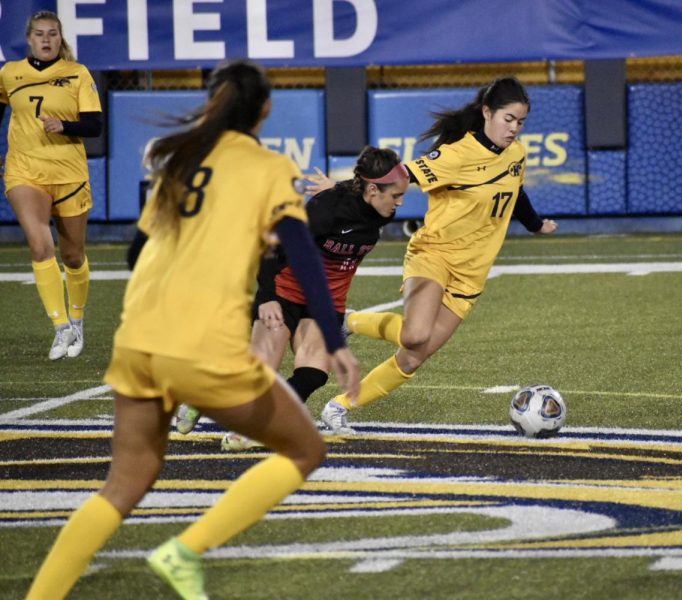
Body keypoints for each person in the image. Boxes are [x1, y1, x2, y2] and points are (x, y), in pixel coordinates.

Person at [26, 59, 360, 600]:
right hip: (203, 347)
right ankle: (185, 550)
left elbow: (138, 254)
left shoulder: (177, 161)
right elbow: (303, 253)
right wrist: (336, 344)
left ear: (212, 101)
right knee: (305, 451)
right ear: (265, 109)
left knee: (124, 484)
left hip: (138, 340)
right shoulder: (268, 167)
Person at [320, 76, 558, 435]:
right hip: (434, 254)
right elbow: (398, 176)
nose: (514, 129)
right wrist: (340, 190)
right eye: (508, 119)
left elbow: (516, 192)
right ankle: (349, 322)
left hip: (470, 275)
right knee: (415, 335)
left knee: (415, 356)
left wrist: (535, 225)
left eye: (521, 122)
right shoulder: (455, 155)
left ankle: (339, 407)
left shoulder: (516, 154)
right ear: (487, 112)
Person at [174, 146, 408, 450]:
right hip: (285, 293)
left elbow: (359, 201)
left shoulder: (380, 209)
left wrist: (341, 187)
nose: (400, 203)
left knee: (313, 374)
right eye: (396, 196)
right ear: (373, 189)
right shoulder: (326, 210)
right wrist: (267, 297)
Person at [0, 11, 102, 360]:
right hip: (24, 171)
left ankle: (77, 319)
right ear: (29, 39)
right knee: (39, 241)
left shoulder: (76, 74)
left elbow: (95, 126)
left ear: (61, 39)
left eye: (53, 34)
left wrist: (66, 127)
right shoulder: (10, 73)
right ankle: (60, 328)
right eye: (40, 34)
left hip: (70, 174)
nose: (46, 40)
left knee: (73, 255)